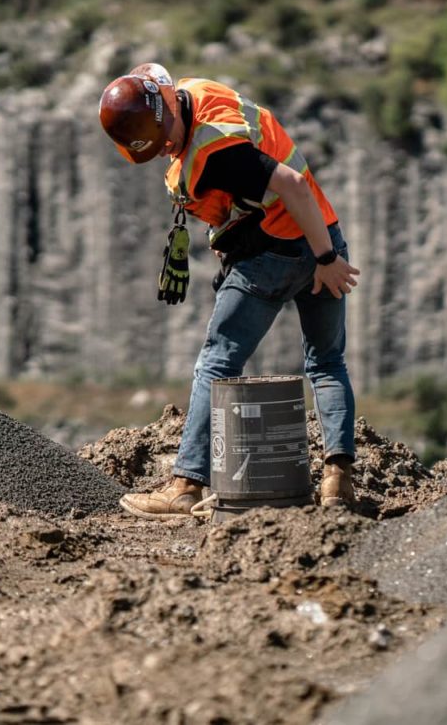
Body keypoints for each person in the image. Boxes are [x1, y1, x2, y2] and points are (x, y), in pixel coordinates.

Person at [98, 63, 361, 520]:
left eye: (165, 143)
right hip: (322, 232)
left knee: (217, 362)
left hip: (285, 252)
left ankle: (185, 485)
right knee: (327, 362)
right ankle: (338, 481)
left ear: (167, 114)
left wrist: (324, 262)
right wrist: (325, 253)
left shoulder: (217, 154)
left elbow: (291, 185)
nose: (165, 153)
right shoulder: (196, 94)